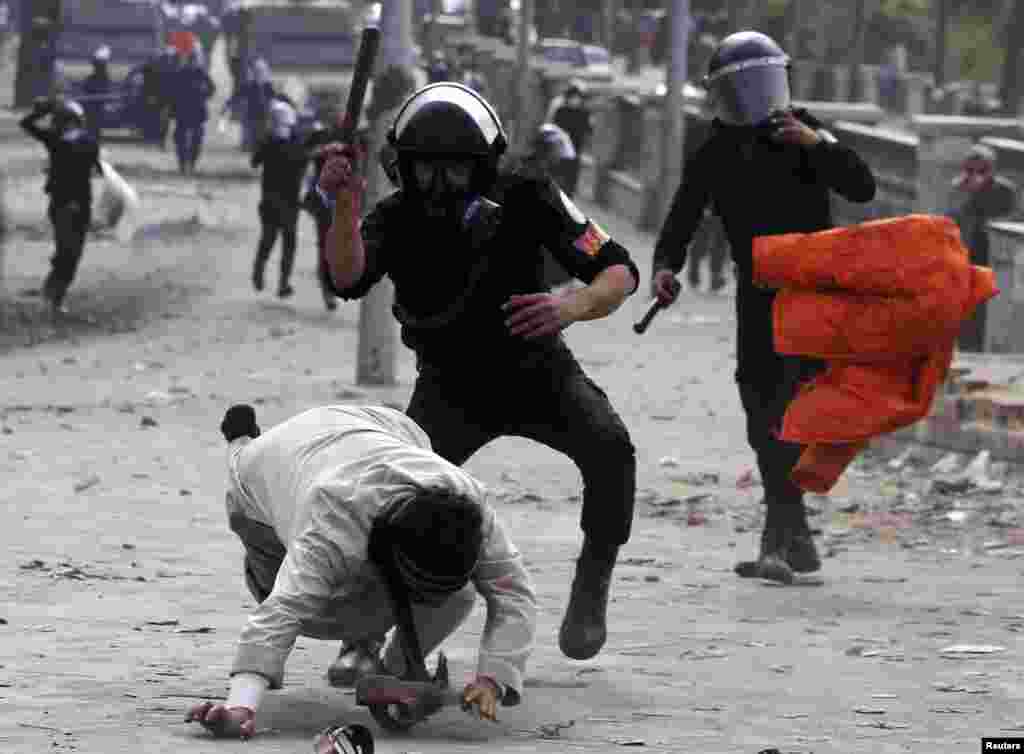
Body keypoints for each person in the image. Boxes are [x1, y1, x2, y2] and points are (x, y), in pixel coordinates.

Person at [316, 82, 640, 663]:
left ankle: (593, 582)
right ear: (401, 169)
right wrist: (342, 204)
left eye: (456, 171)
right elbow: (347, 278)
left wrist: (569, 306)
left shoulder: (529, 194)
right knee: (390, 499)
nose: (439, 187)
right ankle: (363, 631)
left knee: (611, 448)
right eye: (425, 171)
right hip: (449, 387)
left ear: (485, 168)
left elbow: (617, 270)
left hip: (539, 373)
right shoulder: (394, 216)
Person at [650, 31, 876, 585]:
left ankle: (782, 539)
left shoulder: (803, 130)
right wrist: (665, 265)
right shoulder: (717, 145)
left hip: (812, 295)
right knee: (761, 411)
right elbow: (685, 208)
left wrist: (816, 144)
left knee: (790, 412)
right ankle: (792, 537)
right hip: (757, 295)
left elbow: (863, 187)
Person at [184, 404, 537, 739]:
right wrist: (239, 708)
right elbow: (282, 611)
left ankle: (396, 671)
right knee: (312, 605)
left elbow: (513, 593)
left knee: (459, 595)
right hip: (261, 474)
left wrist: (493, 679)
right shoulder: (332, 523)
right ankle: (241, 438)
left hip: (378, 425)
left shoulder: (469, 500)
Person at [19, 98, 102, 315]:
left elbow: (26, 124)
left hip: (71, 204)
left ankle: (53, 296)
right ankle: (52, 296)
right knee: (69, 252)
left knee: (69, 253)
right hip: (70, 204)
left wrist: (42, 111)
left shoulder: (58, 140)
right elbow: (99, 169)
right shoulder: (81, 141)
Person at [947, 144, 1018, 351]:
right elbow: (951, 220)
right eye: (971, 170)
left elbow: (1011, 220)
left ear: (991, 170)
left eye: (982, 171)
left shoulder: (1004, 191)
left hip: (993, 256)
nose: (976, 176)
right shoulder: (958, 189)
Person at [250, 100, 310, 299]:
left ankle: (259, 271)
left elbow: (254, 161)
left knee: (268, 239)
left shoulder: (269, 142)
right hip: (290, 202)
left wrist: (264, 141)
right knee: (288, 243)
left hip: (270, 200)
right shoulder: (297, 143)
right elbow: (304, 164)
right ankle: (283, 283)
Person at [169, 46, 216, 175]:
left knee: (197, 141)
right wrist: (173, 108)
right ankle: (183, 164)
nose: (194, 62)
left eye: (196, 59)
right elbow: (173, 92)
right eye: (192, 59)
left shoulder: (202, 73)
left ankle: (192, 164)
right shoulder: (180, 73)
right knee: (181, 141)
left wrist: (203, 94)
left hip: (197, 112)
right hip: (182, 112)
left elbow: (212, 89)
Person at [551, 81, 592, 199]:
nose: (576, 101)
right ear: (568, 98)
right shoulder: (561, 111)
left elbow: (588, 131)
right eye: (573, 98)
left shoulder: (583, 113)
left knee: (570, 181)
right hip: (559, 150)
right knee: (556, 178)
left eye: (578, 98)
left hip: (574, 152)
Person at [80, 45, 112, 143]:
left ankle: (93, 140)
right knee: (92, 124)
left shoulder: (101, 77)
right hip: (92, 104)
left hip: (96, 104)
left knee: (94, 124)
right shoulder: (94, 78)